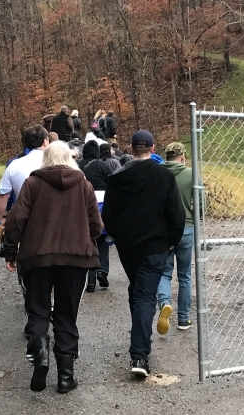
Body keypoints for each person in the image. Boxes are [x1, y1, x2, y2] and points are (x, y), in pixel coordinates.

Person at [1, 141, 102, 393]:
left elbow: (16, 219)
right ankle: (66, 376)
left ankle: (40, 351)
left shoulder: (33, 184)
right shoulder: (84, 185)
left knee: (38, 310)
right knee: (67, 314)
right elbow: (97, 225)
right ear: (70, 158)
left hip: (37, 259)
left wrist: (11, 251)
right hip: (75, 260)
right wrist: (85, 239)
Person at [102, 130, 185, 379]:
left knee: (137, 291)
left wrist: (118, 237)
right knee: (144, 296)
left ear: (131, 147)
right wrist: (171, 241)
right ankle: (140, 354)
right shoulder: (163, 176)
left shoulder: (117, 178)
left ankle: (140, 340)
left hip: (129, 246)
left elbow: (109, 215)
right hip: (155, 246)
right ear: (153, 148)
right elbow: (175, 213)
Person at [155, 142, 194, 333]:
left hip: (164, 230)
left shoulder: (157, 173)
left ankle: (164, 302)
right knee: (185, 275)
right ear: (182, 156)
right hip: (186, 227)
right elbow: (201, 204)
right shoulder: (190, 175)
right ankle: (184, 318)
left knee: (164, 272)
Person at [81, 142, 120, 293]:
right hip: (102, 206)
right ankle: (102, 271)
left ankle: (89, 279)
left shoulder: (78, 165)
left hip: (84, 205)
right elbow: (113, 185)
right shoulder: (103, 166)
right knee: (102, 241)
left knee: (88, 242)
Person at [0, 126, 48, 226]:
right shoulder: (56, 163)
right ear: (45, 142)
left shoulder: (14, 164)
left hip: (22, 220)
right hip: (51, 220)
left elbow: (3, 197)